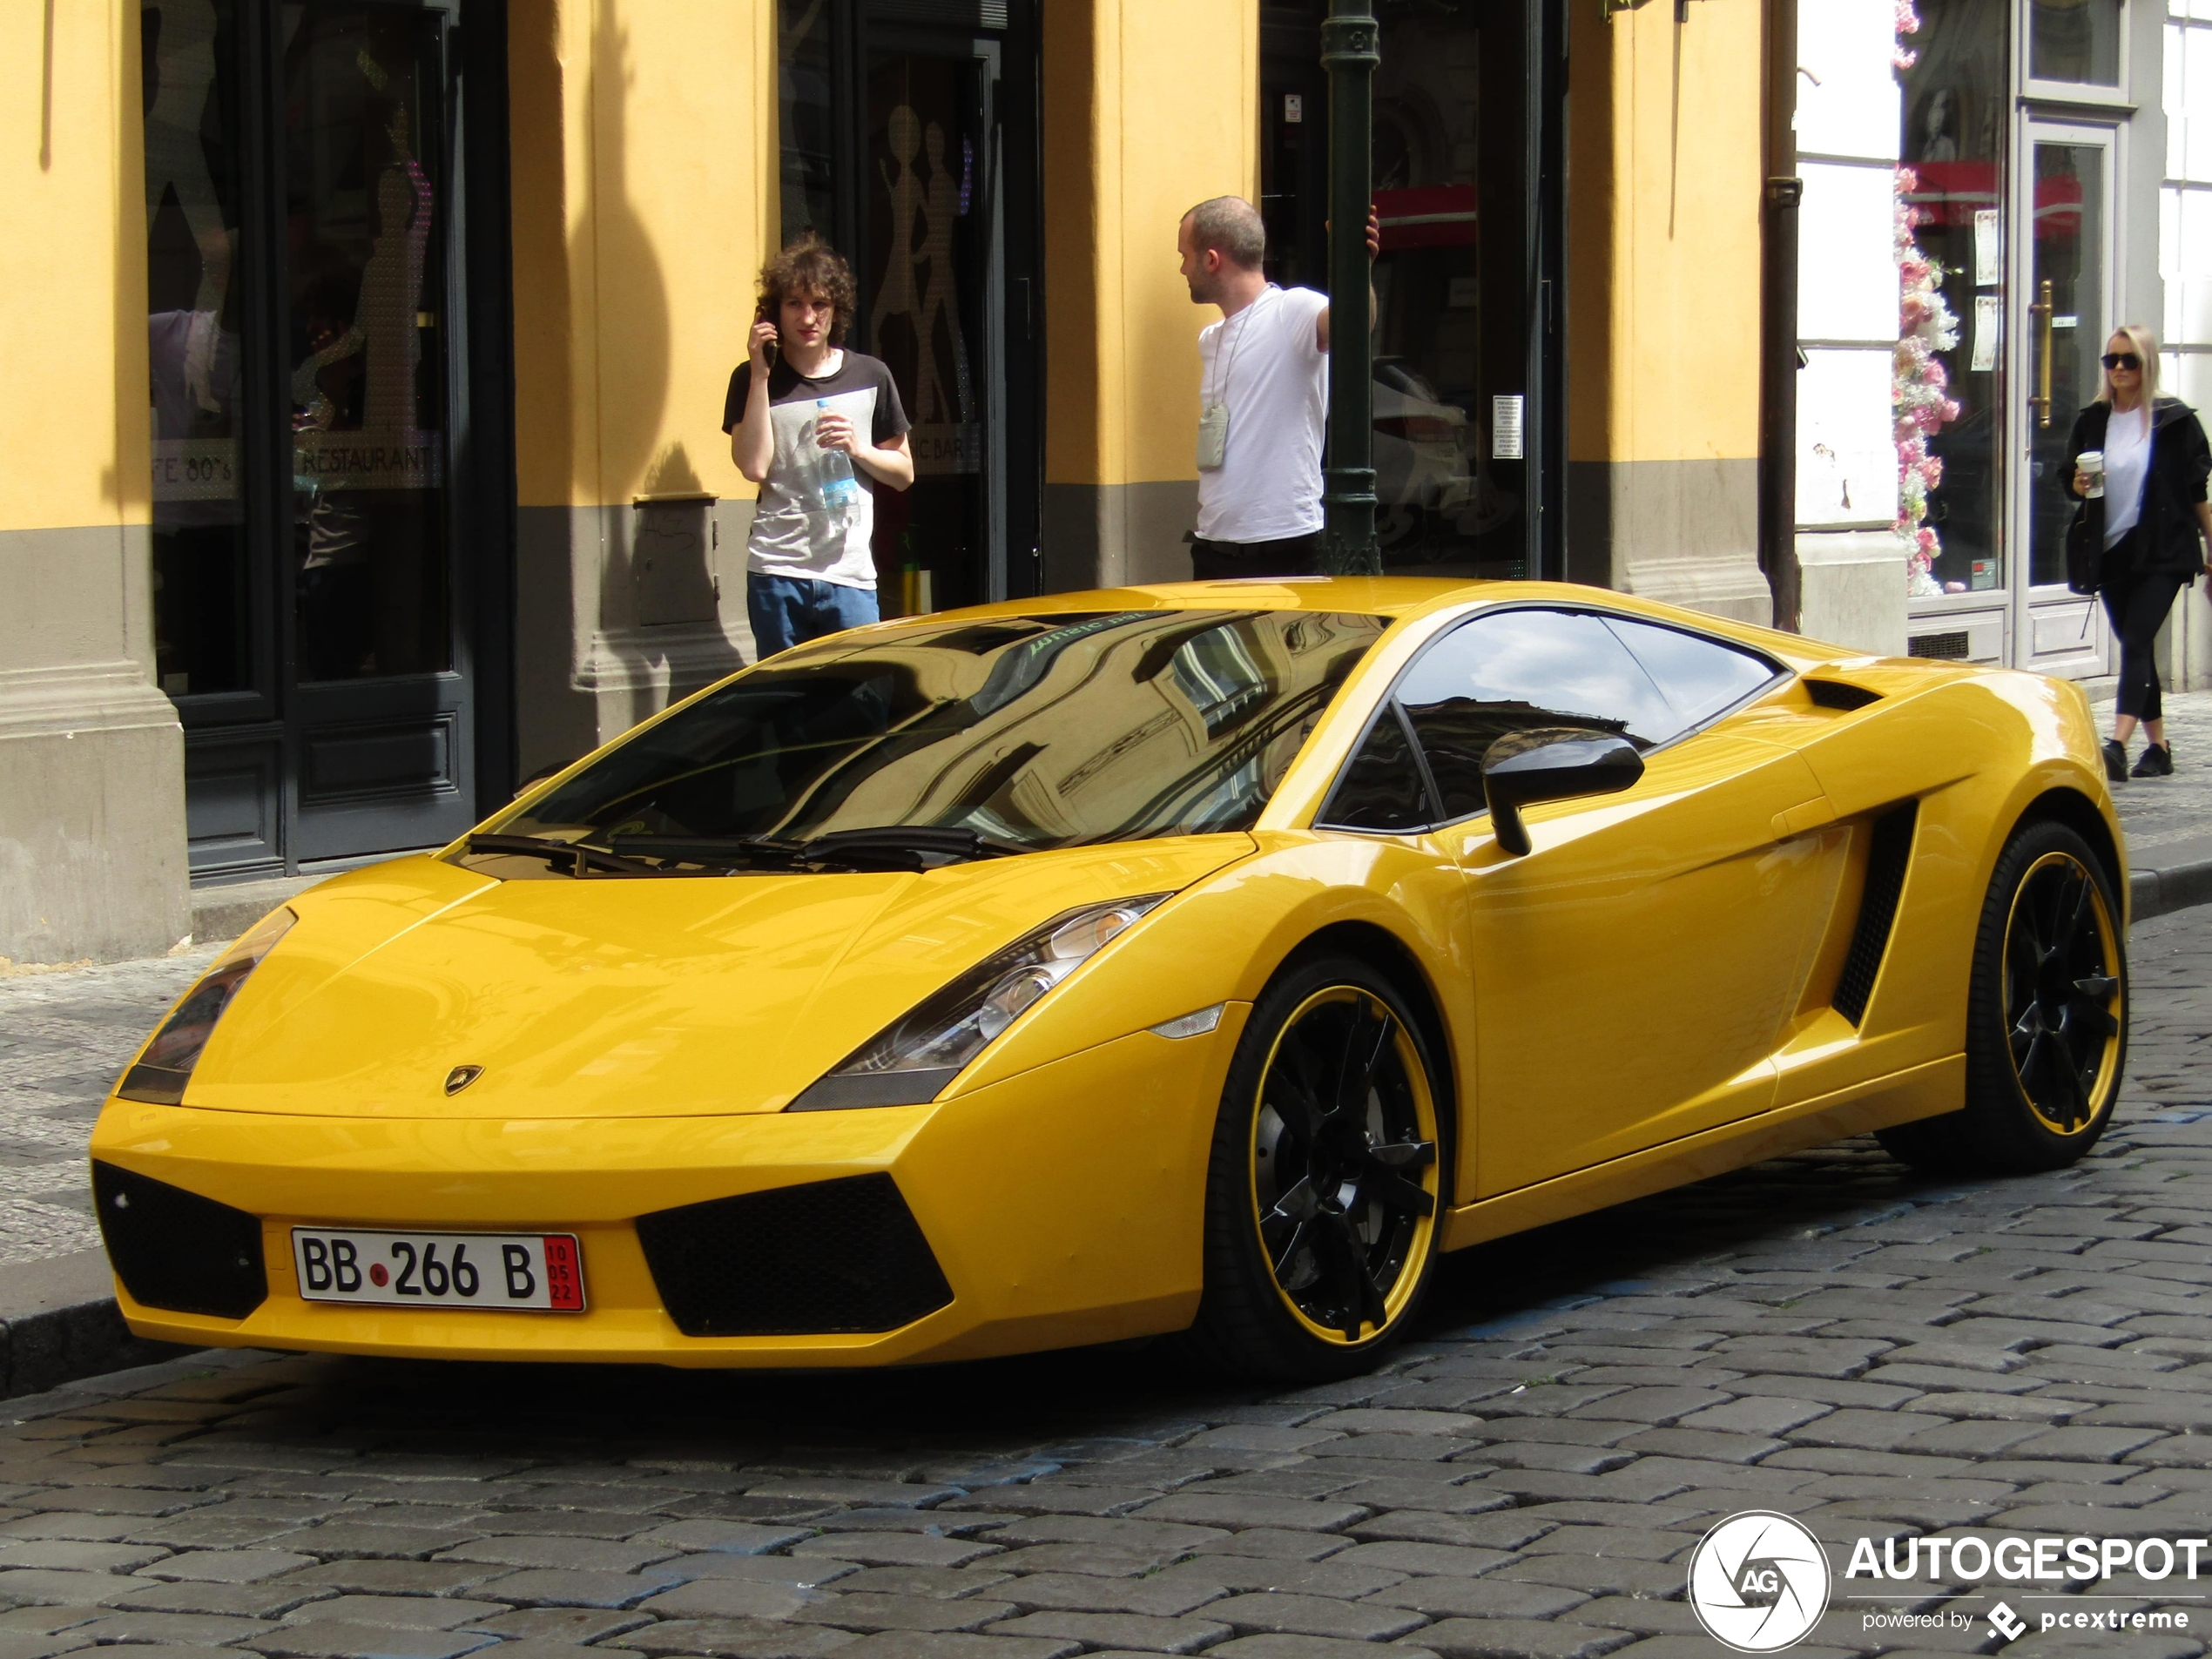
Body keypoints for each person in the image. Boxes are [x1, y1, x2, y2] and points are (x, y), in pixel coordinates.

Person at [726, 235, 914, 657]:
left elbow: (904, 474)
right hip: (778, 570)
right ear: (772, 313)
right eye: (794, 303)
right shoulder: (751, 379)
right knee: (786, 702)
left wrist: (859, 448)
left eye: (819, 305)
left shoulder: (871, 375)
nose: (807, 317)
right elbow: (754, 467)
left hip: (850, 574)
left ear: (837, 310)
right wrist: (760, 374)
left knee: (861, 698)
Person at [1178, 197, 1376, 580]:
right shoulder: (1210, 339)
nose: (1182, 268)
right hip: (1214, 545)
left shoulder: (1293, 310)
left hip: (1287, 546)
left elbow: (1353, 325)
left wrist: (1354, 266)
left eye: (1185, 256)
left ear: (1212, 260)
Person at [2067, 325, 2212, 780]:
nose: (2121, 369)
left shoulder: (2173, 421)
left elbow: (2197, 493)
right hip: (2108, 551)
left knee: (2134, 641)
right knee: (2139, 646)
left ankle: (2117, 744)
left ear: (2147, 363)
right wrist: (2075, 484)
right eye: (2112, 361)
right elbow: (2071, 480)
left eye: (2130, 360)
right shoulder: (2093, 420)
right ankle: (2159, 748)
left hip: (2164, 549)